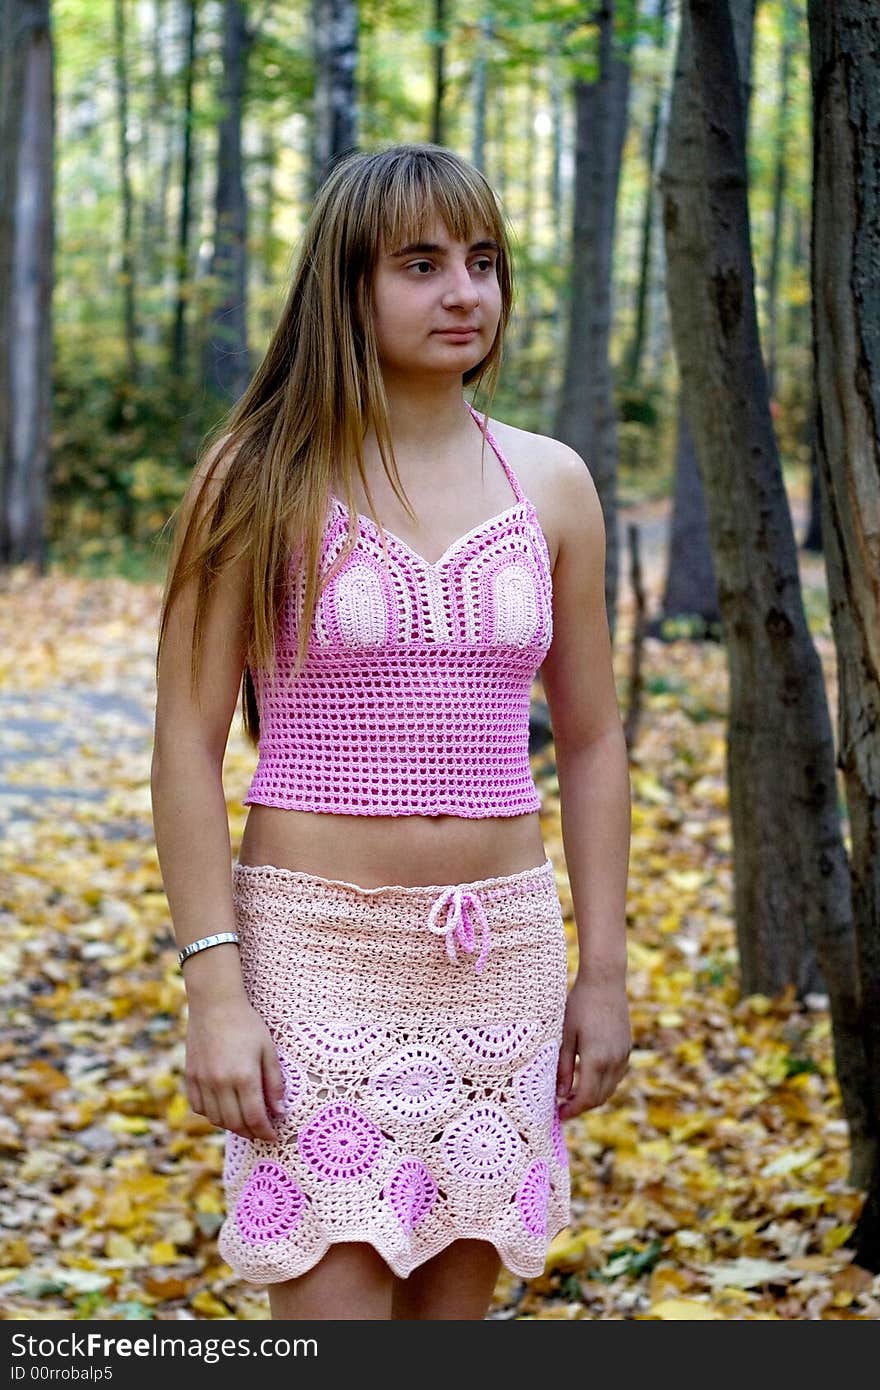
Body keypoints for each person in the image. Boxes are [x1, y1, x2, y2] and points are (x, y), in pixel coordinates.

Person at [150, 142, 632, 1322]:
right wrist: (215, 988)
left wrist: (606, 974)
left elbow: (591, 738)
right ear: (347, 285)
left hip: (500, 960)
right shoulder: (257, 479)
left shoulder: (551, 483)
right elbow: (183, 740)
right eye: (420, 264)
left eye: (481, 261)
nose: (463, 292)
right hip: (315, 962)